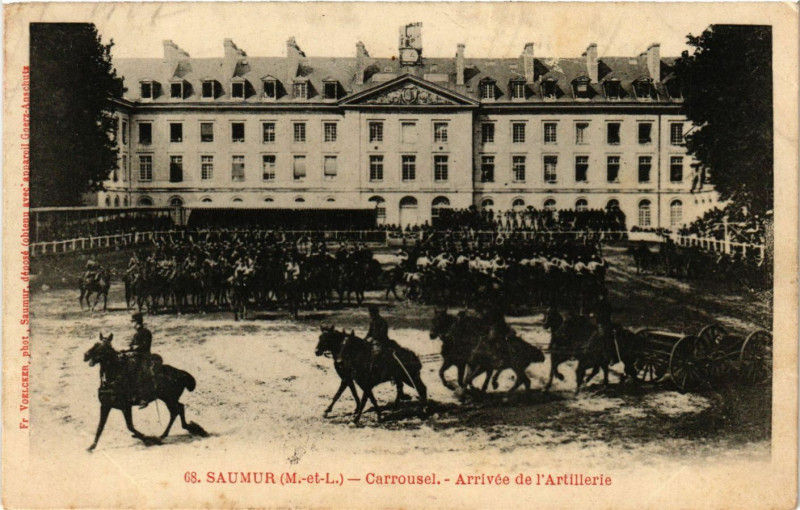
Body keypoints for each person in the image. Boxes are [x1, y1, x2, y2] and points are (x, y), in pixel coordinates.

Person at [126, 313, 157, 408]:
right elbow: (131, 346)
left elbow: (145, 346)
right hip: (136, 356)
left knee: (140, 374)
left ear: (137, 322)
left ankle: (144, 398)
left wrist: (135, 347)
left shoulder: (146, 332)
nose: (131, 324)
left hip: (144, 357)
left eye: (132, 322)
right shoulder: (136, 334)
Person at [364, 305, 390, 372]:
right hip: (373, 341)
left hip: (381, 342)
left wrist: (373, 339)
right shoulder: (372, 322)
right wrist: (365, 339)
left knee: (376, 353)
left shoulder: (383, 322)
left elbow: (382, 334)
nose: (370, 315)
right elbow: (369, 333)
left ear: (376, 313)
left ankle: (375, 368)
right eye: (370, 313)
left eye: (372, 313)